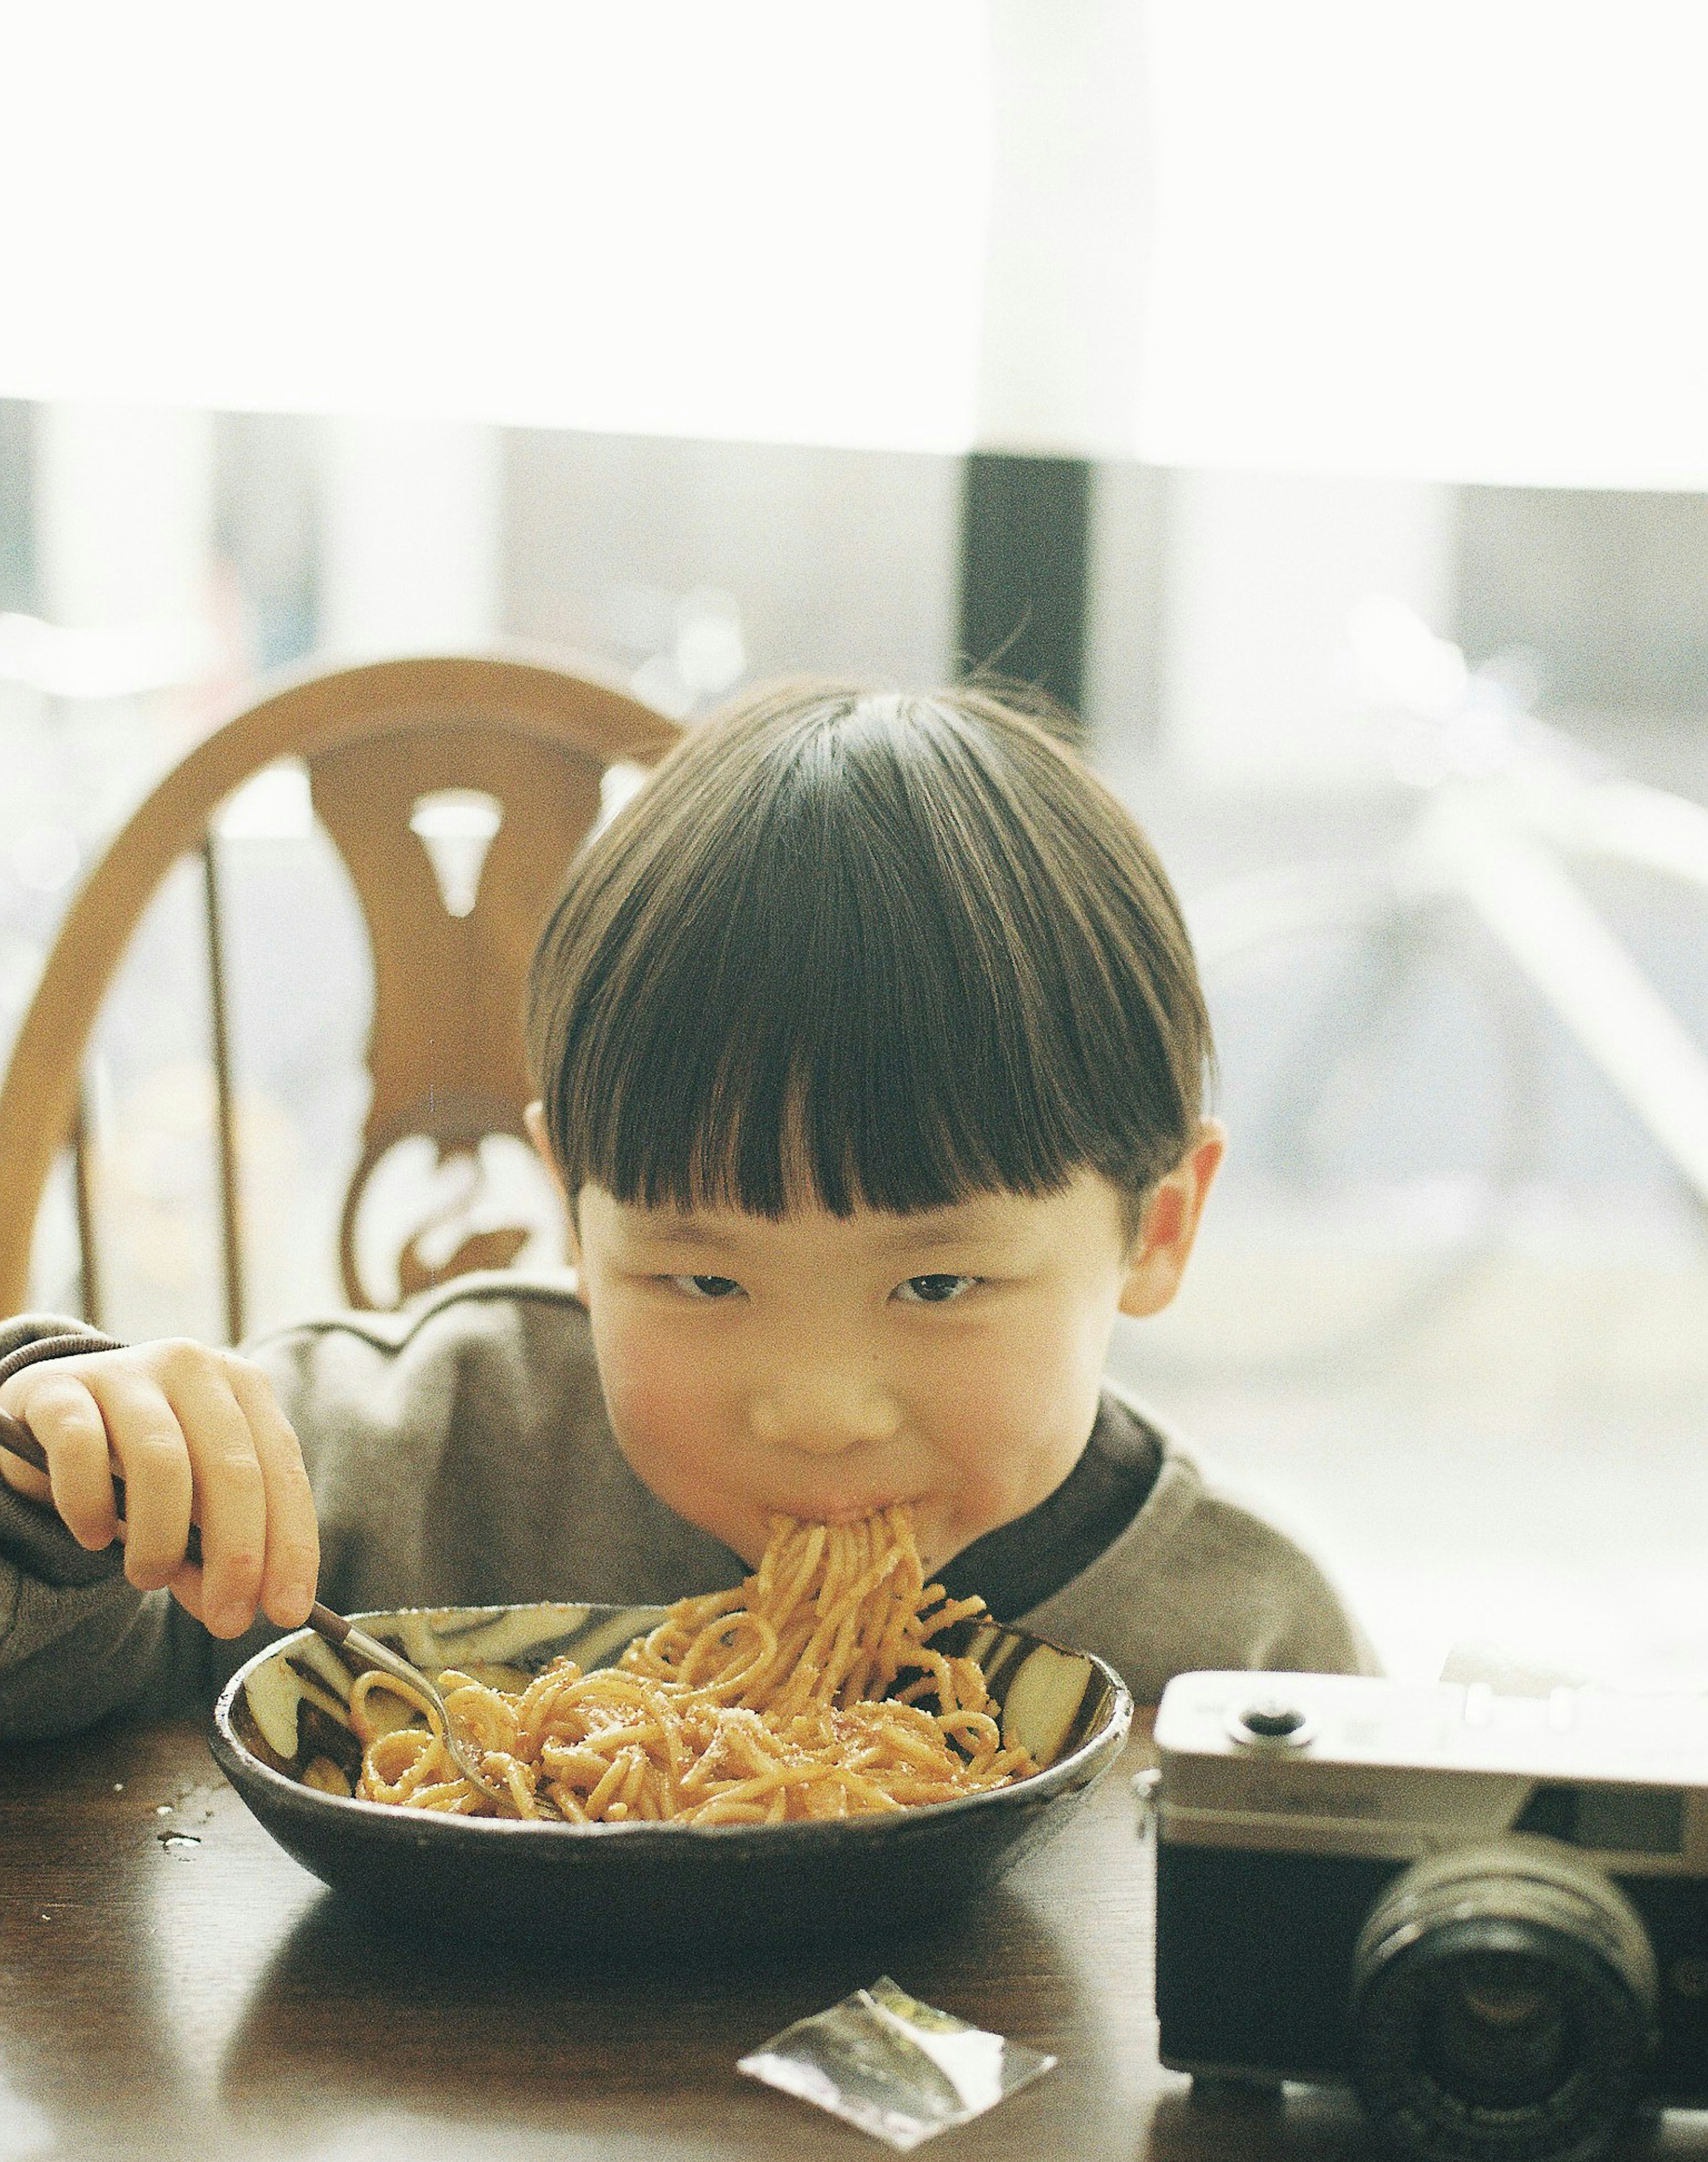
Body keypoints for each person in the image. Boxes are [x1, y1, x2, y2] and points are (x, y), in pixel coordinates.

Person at [0, 681, 1374, 1741]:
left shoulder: (1243, 1641)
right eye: (705, 1283)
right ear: (578, 1222)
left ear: (1161, 1228)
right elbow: (57, 1669)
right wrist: (64, 1483)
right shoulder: (416, 1458)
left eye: (939, 1286)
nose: (819, 1409)